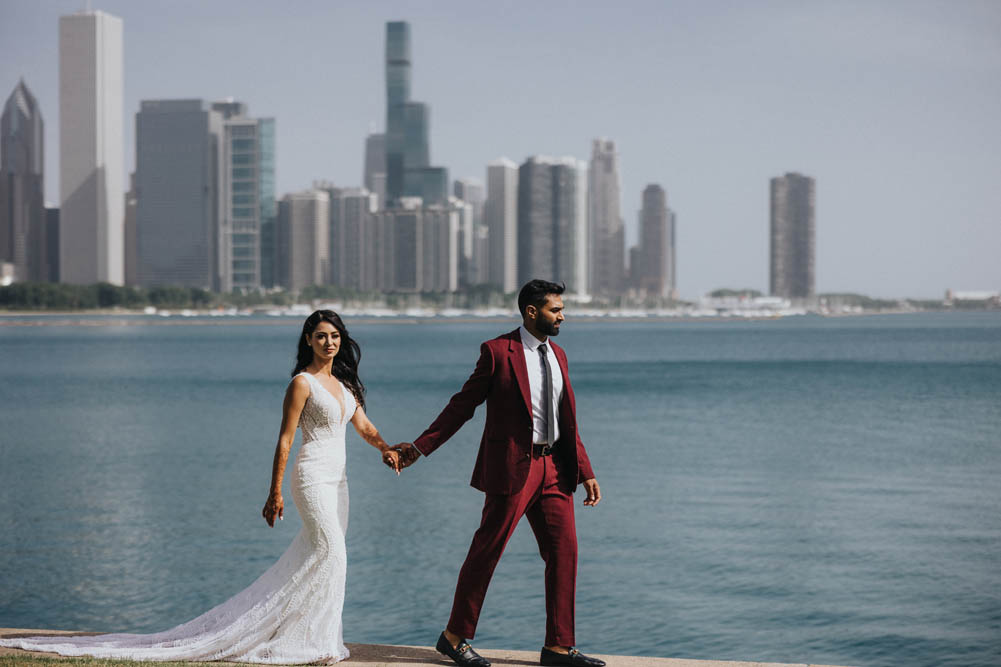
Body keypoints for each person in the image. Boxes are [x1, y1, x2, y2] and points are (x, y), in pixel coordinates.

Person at [0, 310, 400, 664]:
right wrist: (274, 492)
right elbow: (285, 440)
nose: (328, 343)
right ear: (308, 341)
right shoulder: (302, 383)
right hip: (311, 478)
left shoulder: (345, 386)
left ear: (342, 340)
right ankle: (310, 641)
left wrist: (386, 449)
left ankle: (320, 637)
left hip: (339, 483)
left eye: (334, 336)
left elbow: (364, 427)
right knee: (333, 553)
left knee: (321, 557)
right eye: (320, 337)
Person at [392, 279, 606, 667]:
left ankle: (558, 647)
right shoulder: (497, 352)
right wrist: (420, 447)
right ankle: (454, 637)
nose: (563, 315)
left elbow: (566, 421)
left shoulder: (559, 355)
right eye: (556, 309)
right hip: (513, 469)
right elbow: (462, 405)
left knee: (565, 553)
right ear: (531, 312)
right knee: (488, 551)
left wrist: (585, 470)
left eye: (561, 309)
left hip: (555, 468)